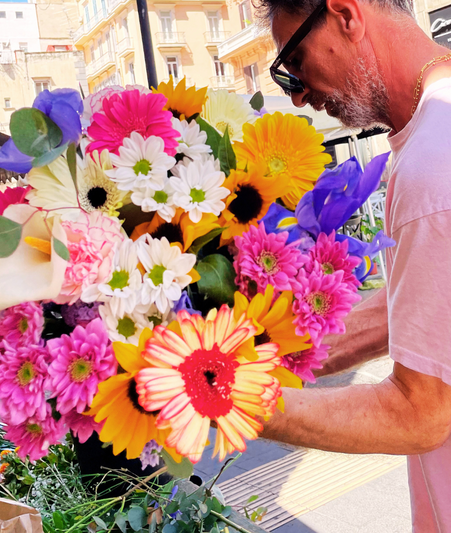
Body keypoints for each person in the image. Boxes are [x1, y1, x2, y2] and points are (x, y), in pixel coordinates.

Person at [255, 0, 451, 529]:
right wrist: (271, 352)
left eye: (293, 63)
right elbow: (423, 312)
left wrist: (226, 394)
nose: (298, 93)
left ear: (344, 14)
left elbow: (422, 411)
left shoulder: (435, 163)